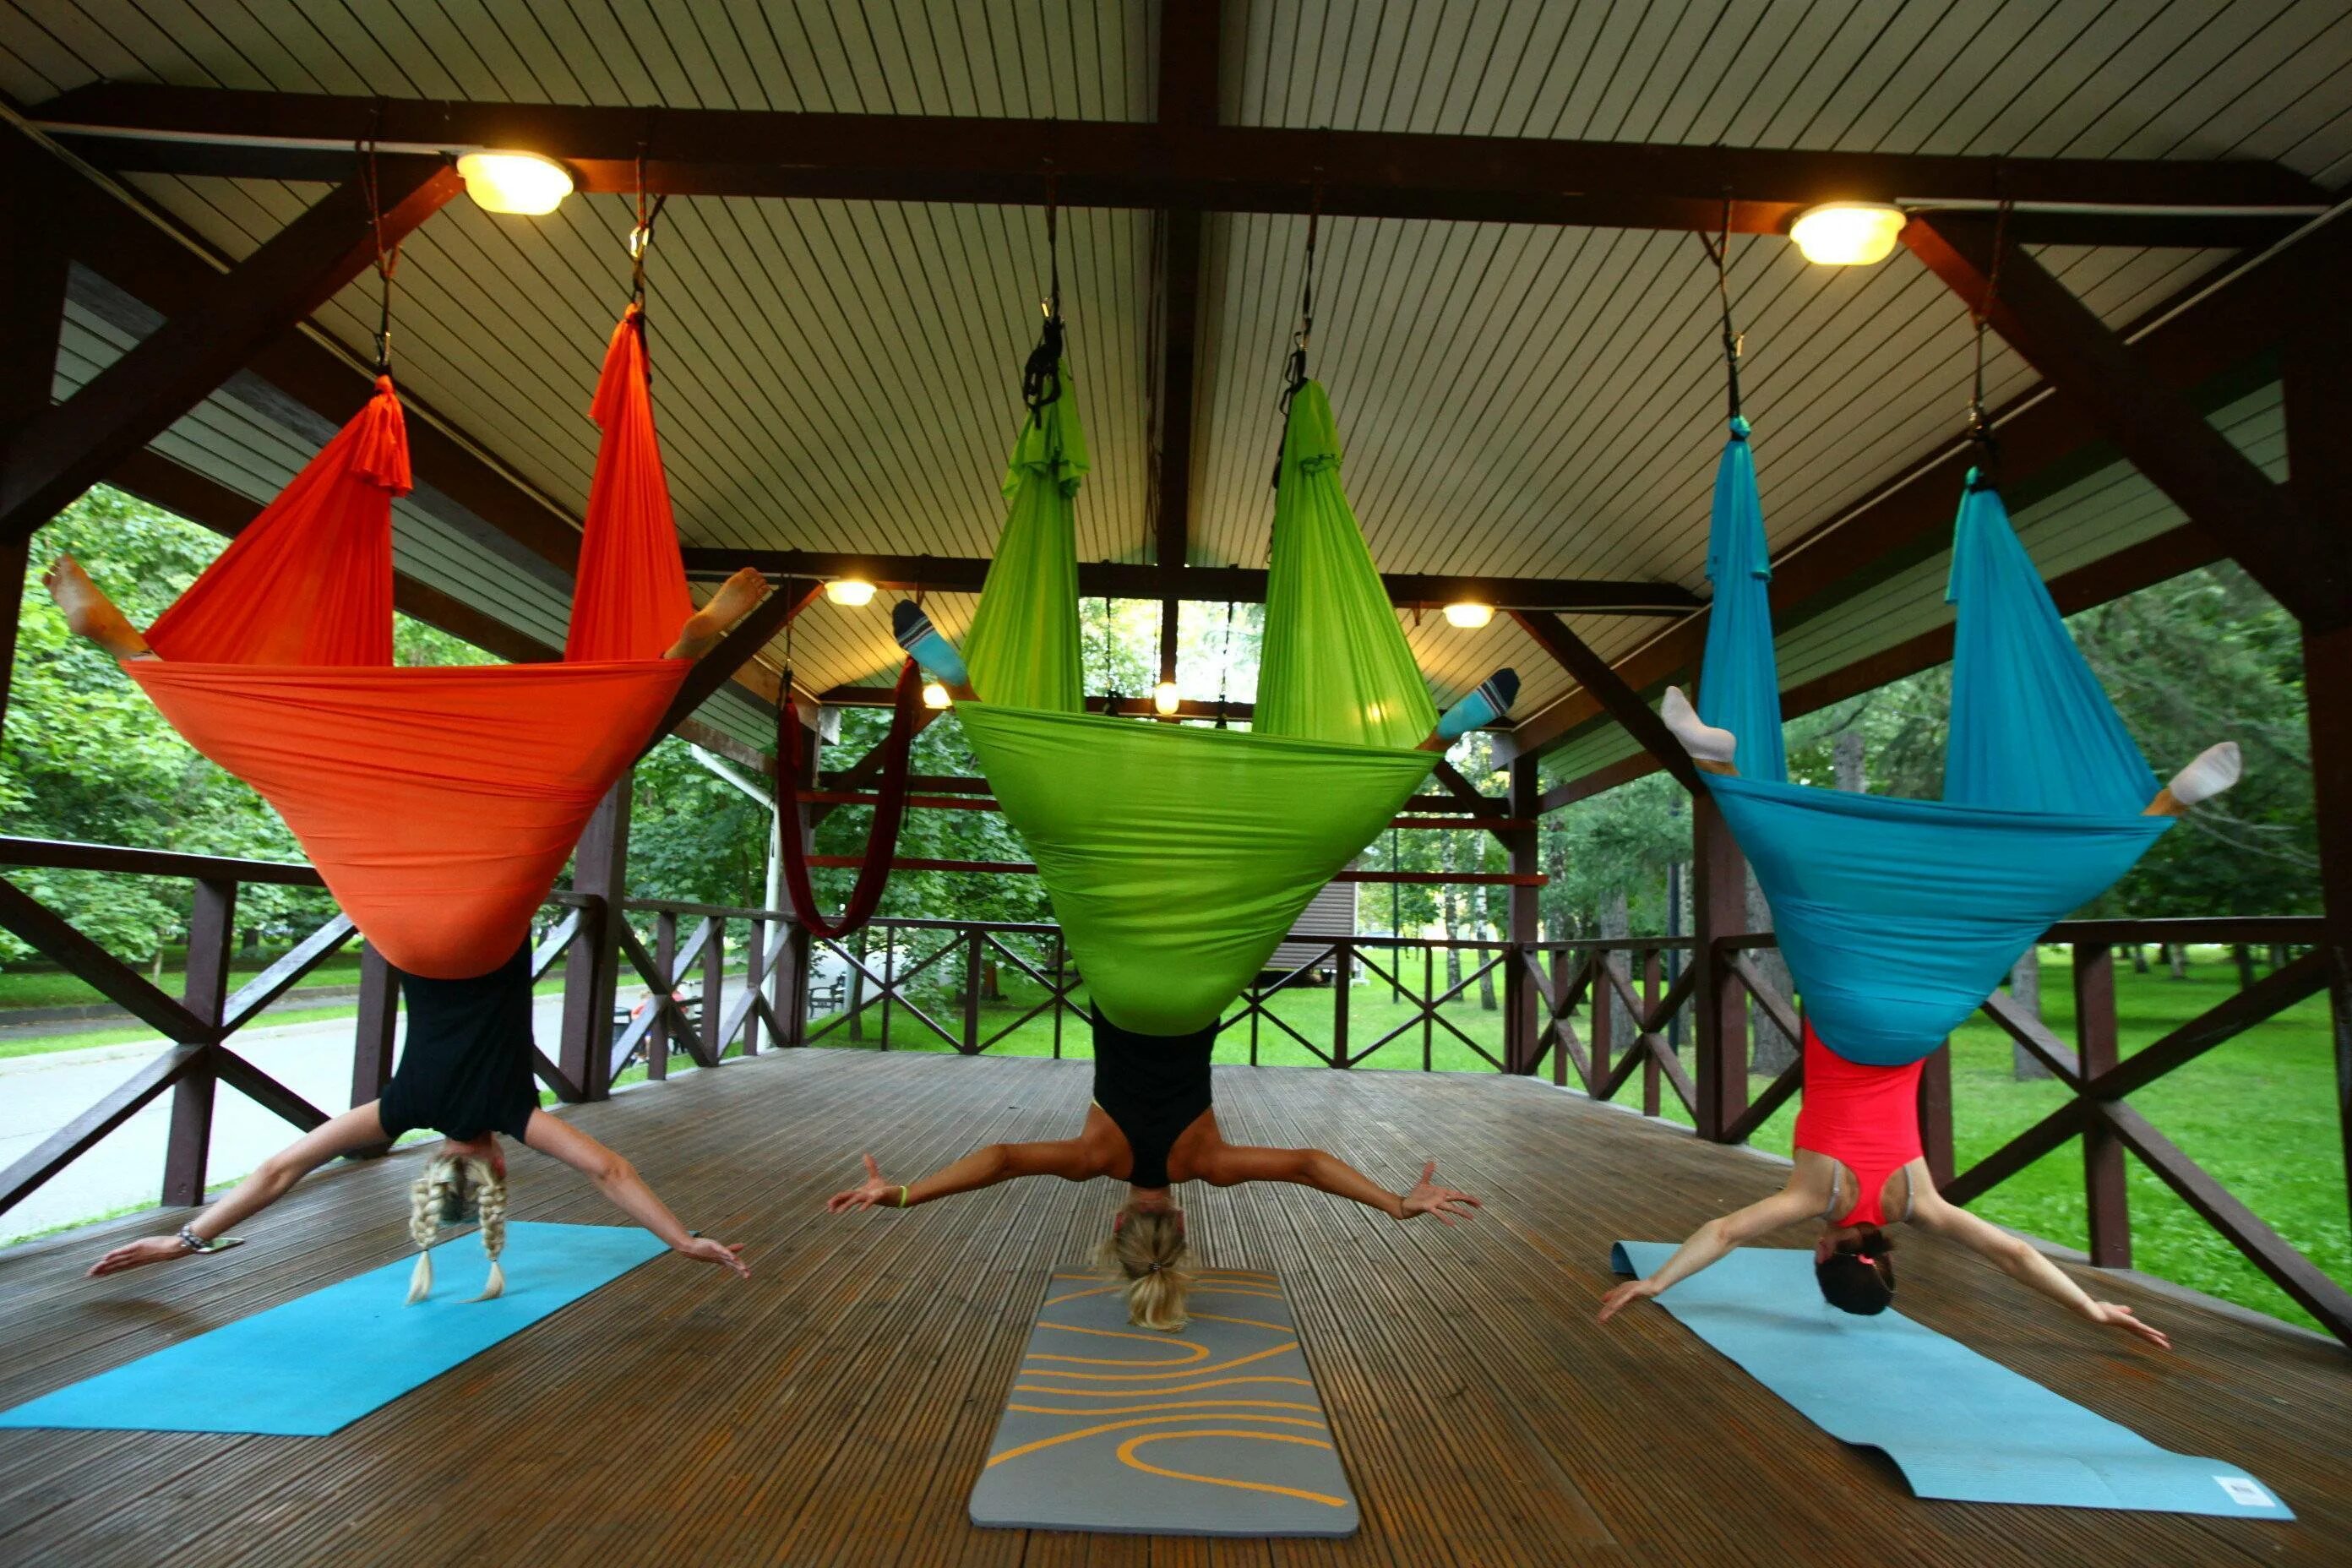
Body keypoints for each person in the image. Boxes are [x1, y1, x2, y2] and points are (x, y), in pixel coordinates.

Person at [57, 558, 772, 1292]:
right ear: (436, 1164)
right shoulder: (400, 1108)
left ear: (495, 1165)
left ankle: (683, 651)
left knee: (586, 768)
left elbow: (609, 1171)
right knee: (276, 767)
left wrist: (683, 1238)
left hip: (480, 923)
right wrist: (183, 1239)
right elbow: (280, 1170)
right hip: (395, 921)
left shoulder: (513, 1110)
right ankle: (129, 651)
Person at [1593, 686, 2242, 1345]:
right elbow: (1726, 1232)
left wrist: (2092, 1309)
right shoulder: (1815, 1199)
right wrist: (1658, 1282)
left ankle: (2169, 807)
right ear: (1822, 1256)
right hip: (1846, 1009)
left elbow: (2013, 1253)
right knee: (1789, 878)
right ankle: (1717, 766)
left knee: (2032, 908)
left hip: (1926, 1014)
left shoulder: (1919, 1202)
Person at [827, 1014, 1478, 1331]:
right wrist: (904, 1195)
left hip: (1197, 999)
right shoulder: (1095, 1159)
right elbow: (1000, 1159)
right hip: (1119, 995)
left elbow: (1308, 1164)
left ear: (1183, 1223)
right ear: (1116, 1223)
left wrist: (1397, 1204)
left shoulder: (1207, 1164)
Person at [891, 600, 1519, 752]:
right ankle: (1442, 736)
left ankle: (961, 687)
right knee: (1353, 812)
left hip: (1131, 968)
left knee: (1020, 775)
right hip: (1173, 971)